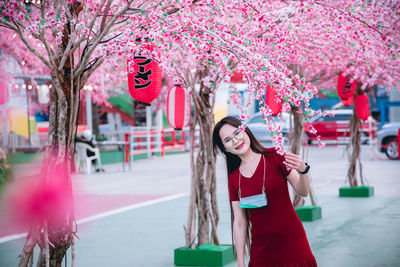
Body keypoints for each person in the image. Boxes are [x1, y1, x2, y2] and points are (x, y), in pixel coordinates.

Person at [212, 116, 317, 267]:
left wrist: (303, 171)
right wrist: (240, 262)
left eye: (237, 133)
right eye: (227, 140)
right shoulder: (234, 179)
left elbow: (303, 191)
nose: (235, 141)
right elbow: (240, 222)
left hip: (293, 242)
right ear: (224, 148)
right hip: (262, 250)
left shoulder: (275, 157)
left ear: (245, 131)